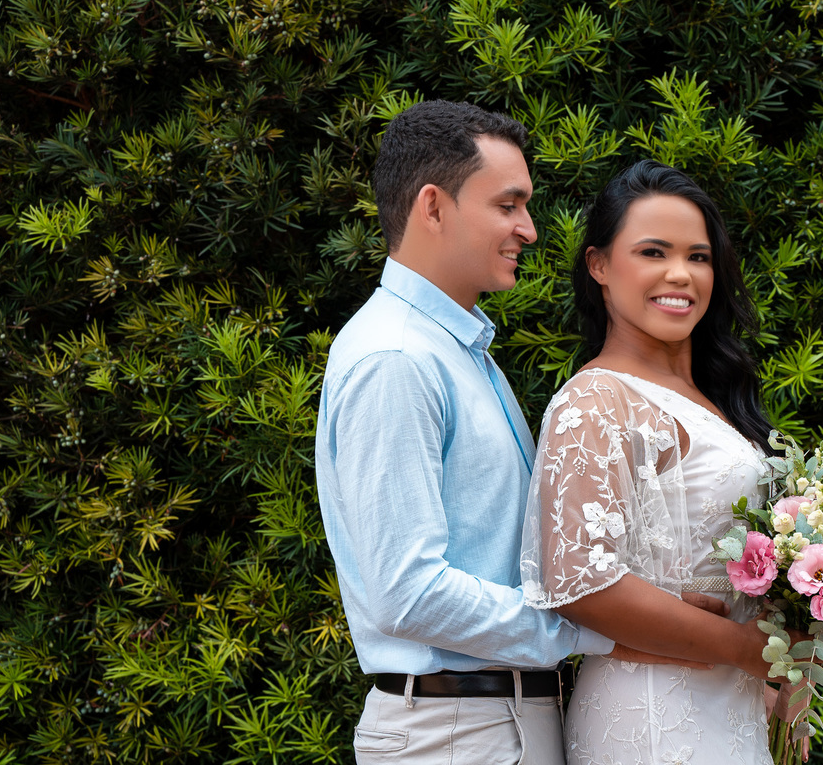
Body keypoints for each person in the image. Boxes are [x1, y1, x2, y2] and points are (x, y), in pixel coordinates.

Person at [316, 102, 728, 765]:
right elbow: (408, 593)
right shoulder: (396, 358)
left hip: (496, 720)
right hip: (455, 733)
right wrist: (595, 632)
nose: (529, 230)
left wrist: (648, 608)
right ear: (433, 206)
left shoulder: (459, 353)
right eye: (508, 205)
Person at [521, 160, 783, 764]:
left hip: (732, 704)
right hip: (652, 716)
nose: (680, 273)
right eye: (653, 252)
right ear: (599, 265)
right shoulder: (596, 400)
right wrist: (750, 650)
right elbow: (581, 583)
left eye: (698, 256)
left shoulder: (714, 400)